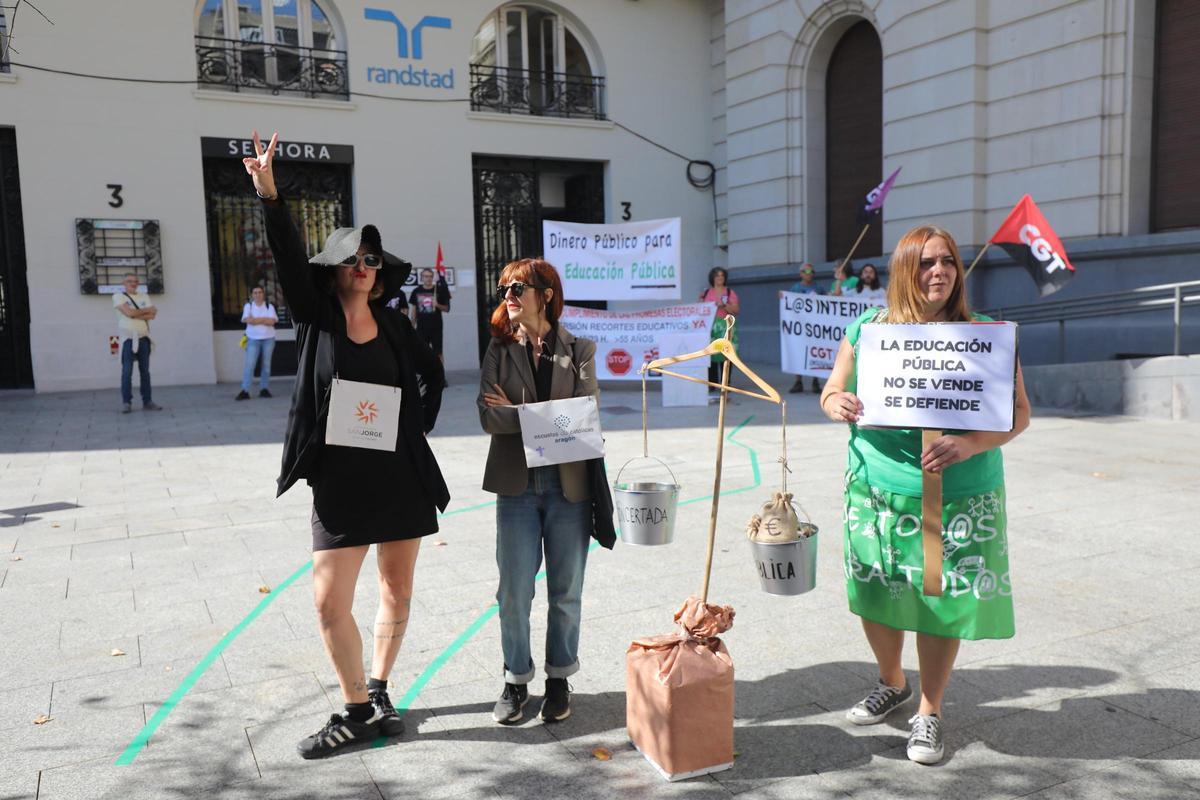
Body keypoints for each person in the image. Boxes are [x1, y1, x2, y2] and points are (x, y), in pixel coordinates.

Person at [244, 130, 449, 759]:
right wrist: (271, 198)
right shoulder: (318, 316)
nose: (361, 266)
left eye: (369, 260)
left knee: (397, 590)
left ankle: (378, 691)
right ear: (334, 271)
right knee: (329, 601)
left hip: (398, 476)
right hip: (341, 481)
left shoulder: (393, 321)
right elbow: (285, 264)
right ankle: (355, 707)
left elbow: (432, 372)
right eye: (351, 259)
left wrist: (418, 426)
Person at [820, 224, 1031, 765]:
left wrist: (970, 444)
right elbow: (831, 389)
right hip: (878, 490)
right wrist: (835, 402)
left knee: (942, 599)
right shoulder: (868, 328)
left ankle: (929, 713)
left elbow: (1020, 414)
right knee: (878, 592)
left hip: (958, 493)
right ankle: (892, 681)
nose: (938, 271)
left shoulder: (984, 335)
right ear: (904, 271)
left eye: (947, 262)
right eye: (926, 263)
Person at [478, 258, 601, 726]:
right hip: (517, 485)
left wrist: (521, 414)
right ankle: (515, 679)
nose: (508, 295)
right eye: (503, 288)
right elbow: (487, 416)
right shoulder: (498, 350)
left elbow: (587, 417)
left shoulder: (581, 348)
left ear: (545, 294)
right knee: (512, 590)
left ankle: (558, 679)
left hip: (569, 486)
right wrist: (553, 418)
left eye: (517, 287)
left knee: (566, 591)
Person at [114, 273, 163, 413]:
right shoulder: (118, 296)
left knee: (145, 372)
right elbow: (129, 313)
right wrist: (146, 310)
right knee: (127, 372)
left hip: (143, 338)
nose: (133, 284)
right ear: (124, 283)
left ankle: (147, 401)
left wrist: (136, 312)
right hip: (128, 339)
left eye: (136, 281)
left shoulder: (144, 296)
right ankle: (126, 402)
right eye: (130, 281)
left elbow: (152, 316)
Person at [786, 263, 825, 394]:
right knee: (799, 351)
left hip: (815, 326)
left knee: (816, 351)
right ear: (801, 273)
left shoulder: (818, 288)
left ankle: (815, 381)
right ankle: (798, 381)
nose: (809, 273)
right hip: (800, 326)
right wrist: (782, 297)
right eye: (806, 271)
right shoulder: (795, 288)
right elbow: (788, 302)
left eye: (811, 271)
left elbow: (827, 302)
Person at [236, 285, 278, 400]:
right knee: (249, 365)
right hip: (253, 339)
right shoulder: (248, 306)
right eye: (255, 293)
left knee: (266, 366)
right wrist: (264, 319)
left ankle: (264, 389)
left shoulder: (270, 306)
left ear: (263, 294)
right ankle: (245, 390)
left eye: (260, 292)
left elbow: (272, 322)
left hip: (268, 339)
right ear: (252, 295)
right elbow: (248, 320)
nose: (258, 294)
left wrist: (255, 320)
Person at [699, 267, 739, 386]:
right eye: (717, 275)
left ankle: (726, 382)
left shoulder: (729, 292)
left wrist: (724, 305)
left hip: (725, 326)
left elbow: (736, 310)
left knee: (726, 354)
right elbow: (699, 309)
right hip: (710, 326)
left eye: (722, 275)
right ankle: (712, 382)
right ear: (712, 278)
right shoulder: (706, 293)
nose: (720, 277)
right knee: (711, 354)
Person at [408, 268, 449, 365]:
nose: (428, 278)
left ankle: (440, 377)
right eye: (426, 276)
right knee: (421, 353)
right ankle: (423, 377)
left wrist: (437, 304)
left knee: (438, 353)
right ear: (422, 278)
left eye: (430, 276)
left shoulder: (438, 290)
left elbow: (447, 309)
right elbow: (413, 311)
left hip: (436, 327)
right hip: (421, 327)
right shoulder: (416, 291)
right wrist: (411, 327)